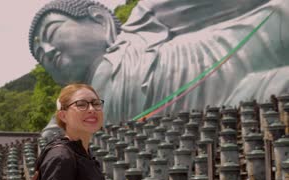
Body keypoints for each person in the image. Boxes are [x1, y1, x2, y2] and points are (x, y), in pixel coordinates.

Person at [29, 0, 289, 124]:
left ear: (101, 20)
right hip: (238, 106)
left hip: (253, 46)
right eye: (40, 55)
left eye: (52, 33)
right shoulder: (71, 115)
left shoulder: (144, 23)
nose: (48, 51)